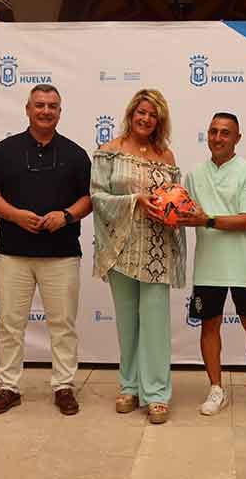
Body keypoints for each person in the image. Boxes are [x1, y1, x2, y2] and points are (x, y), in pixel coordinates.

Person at [0, 84, 92, 416]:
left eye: (52, 106)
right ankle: (8, 386)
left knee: (63, 325)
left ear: (60, 112)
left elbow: (89, 199)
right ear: (27, 109)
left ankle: (63, 386)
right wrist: (14, 215)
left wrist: (66, 215)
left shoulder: (75, 153)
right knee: (10, 324)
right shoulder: (5, 149)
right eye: (39, 105)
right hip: (13, 254)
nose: (46, 111)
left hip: (62, 254)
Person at [90, 88, 185, 425]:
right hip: (121, 250)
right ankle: (129, 387)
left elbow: (176, 198)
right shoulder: (109, 153)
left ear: (160, 120)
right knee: (128, 323)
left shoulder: (167, 156)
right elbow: (97, 198)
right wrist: (134, 200)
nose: (145, 119)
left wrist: (175, 208)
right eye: (141, 112)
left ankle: (157, 394)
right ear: (131, 113)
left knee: (156, 325)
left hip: (157, 250)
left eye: (152, 114)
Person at [176, 112, 246, 417]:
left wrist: (206, 219)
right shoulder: (193, 174)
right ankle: (216, 389)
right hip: (208, 266)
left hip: (243, 267)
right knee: (209, 326)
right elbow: (183, 215)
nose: (218, 138)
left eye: (225, 133)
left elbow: (245, 221)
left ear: (237, 138)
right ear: (207, 134)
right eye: (213, 132)